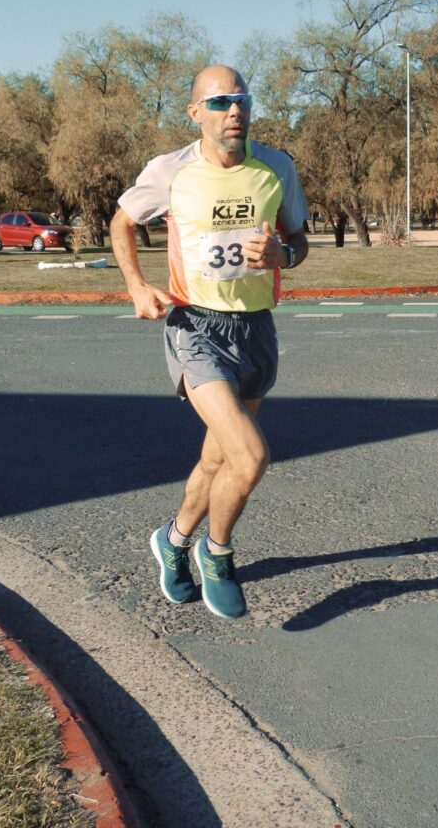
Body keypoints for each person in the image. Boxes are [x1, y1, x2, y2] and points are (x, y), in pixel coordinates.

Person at [110, 65, 308, 619]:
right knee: (250, 456)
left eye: (241, 99)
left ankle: (172, 542)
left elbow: (298, 239)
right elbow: (121, 224)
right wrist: (136, 285)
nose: (235, 110)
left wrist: (283, 257)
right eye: (220, 101)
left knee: (217, 458)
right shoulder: (170, 171)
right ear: (195, 112)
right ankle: (216, 554)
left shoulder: (276, 167)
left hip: (256, 328)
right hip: (195, 326)